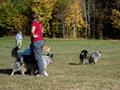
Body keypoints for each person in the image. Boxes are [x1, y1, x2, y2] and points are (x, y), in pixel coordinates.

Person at [30, 12, 47, 77]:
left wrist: (33, 35)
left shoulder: (34, 23)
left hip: (37, 42)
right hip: (41, 41)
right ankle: (38, 71)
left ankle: (41, 73)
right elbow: (42, 31)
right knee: (38, 57)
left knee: (38, 58)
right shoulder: (39, 24)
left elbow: (32, 31)